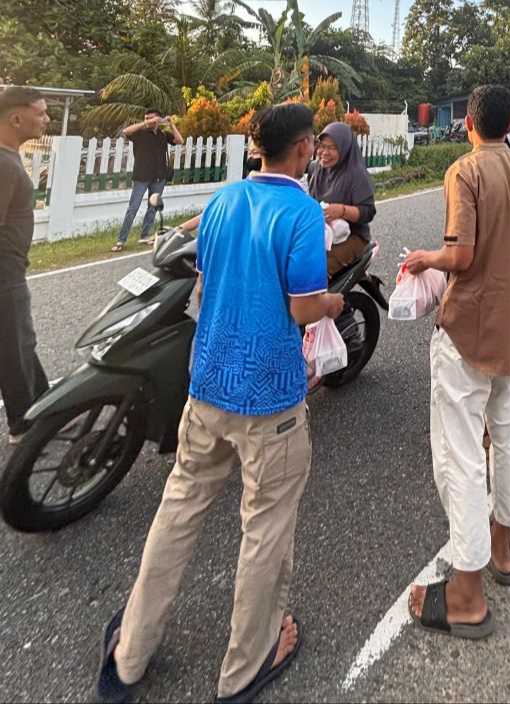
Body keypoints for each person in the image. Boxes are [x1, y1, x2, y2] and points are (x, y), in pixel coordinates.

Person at [92, 103, 345, 704]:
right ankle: (244, 669)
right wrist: (335, 305)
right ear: (305, 148)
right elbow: (305, 307)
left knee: (177, 513)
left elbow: (210, 276)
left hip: (206, 386)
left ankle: (129, 656)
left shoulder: (224, 202)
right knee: (265, 529)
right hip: (272, 401)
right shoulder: (304, 215)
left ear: (256, 147)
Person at [403, 84, 510, 640]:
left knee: (460, 457)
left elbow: (461, 256)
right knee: (508, 442)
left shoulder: (464, 172)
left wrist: (426, 258)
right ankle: (502, 549)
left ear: (469, 123)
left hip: (468, 331)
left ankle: (467, 593)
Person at [0, 87, 51, 445]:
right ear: (16, 118)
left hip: (10, 272)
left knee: (20, 344)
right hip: (5, 275)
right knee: (15, 348)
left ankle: (46, 410)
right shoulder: (3, 164)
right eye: (41, 113)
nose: (46, 119)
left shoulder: (9, 157)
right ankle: (25, 426)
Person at [307, 122, 377, 275]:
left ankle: (323, 299)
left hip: (354, 236)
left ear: (344, 148)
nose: (324, 152)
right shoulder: (315, 168)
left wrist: (341, 211)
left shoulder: (356, 174)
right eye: (322, 146)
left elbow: (368, 212)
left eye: (332, 148)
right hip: (324, 231)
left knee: (316, 269)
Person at [111, 108, 184, 252]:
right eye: (146, 118)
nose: (149, 120)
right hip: (142, 177)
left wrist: (171, 125)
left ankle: (144, 234)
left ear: (158, 119)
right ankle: (121, 239)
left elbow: (180, 141)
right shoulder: (140, 134)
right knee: (133, 208)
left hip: (158, 178)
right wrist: (145, 123)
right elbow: (126, 132)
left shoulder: (163, 135)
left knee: (152, 208)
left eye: (151, 118)